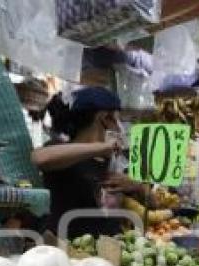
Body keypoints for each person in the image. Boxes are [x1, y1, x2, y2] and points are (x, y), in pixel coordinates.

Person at [31, 87, 145, 238]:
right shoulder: (61, 149)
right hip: (68, 250)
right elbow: (39, 158)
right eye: (118, 119)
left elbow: (153, 202)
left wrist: (135, 185)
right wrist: (100, 147)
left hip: (109, 249)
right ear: (105, 117)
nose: (120, 127)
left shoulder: (115, 160)